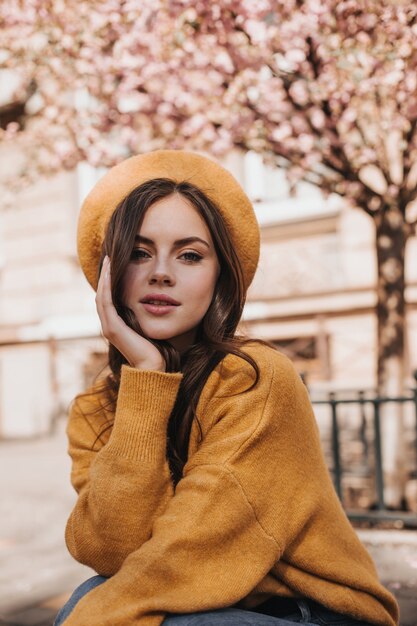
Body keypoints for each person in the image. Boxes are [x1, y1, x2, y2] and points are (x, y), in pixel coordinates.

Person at [54, 151, 399, 626]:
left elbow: (197, 543)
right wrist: (147, 378)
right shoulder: (98, 407)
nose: (161, 272)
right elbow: (110, 551)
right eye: (138, 252)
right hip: (210, 596)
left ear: (219, 277)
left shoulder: (256, 379)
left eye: (190, 255)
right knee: (94, 594)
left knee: (118, 613)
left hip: (313, 608)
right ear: (110, 273)